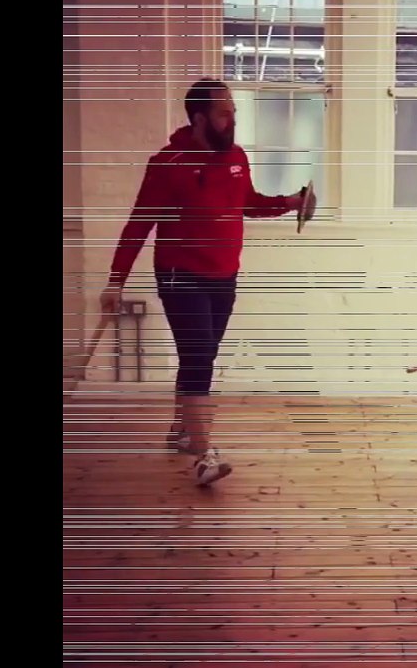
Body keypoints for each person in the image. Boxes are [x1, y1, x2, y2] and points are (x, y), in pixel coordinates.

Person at [100, 79, 309, 487]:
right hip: (180, 274)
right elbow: (139, 223)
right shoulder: (167, 163)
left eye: (233, 112)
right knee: (199, 358)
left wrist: (289, 202)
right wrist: (115, 281)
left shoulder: (236, 157)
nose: (233, 119)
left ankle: (181, 430)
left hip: (223, 275)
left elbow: (247, 203)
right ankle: (203, 454)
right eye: (224, 113)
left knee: (201, 356)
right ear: (199, 118)